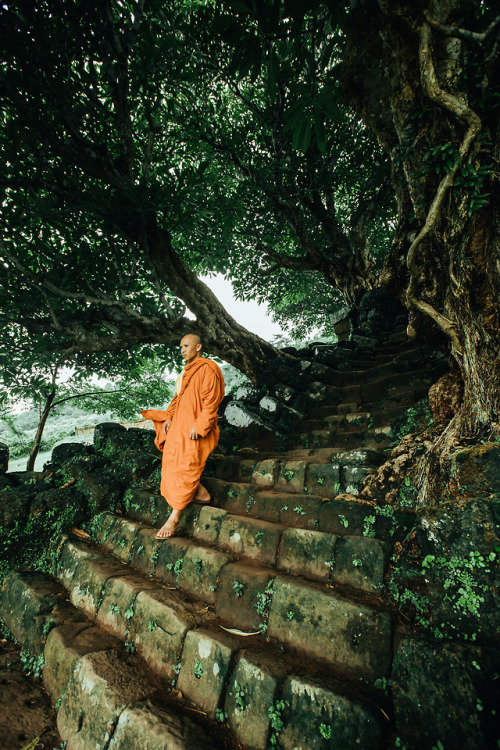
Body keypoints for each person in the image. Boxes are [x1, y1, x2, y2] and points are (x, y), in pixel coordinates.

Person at [140, 334, 225, 539]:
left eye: (186, 346)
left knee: (186, 465)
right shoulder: (185, 372)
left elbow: (211, 401)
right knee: (171, 463)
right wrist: (169, 418)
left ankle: (174, 517)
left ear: (199, 347)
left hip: (194, 427)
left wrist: (200, 424)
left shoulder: (207, 368)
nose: (182, 350)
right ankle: (202, 494)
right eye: (181, 347)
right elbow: (178, 399)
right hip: (179, 426)